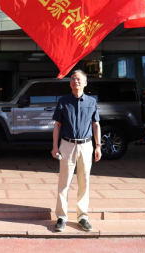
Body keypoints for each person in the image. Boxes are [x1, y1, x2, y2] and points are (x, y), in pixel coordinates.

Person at [51, 70, 102, 233]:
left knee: (84, 182)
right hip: (67, 144)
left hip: (86, 146)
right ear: (70, 83)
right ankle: (61, 217)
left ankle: (82, 217)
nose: (75, 81)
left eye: (79, 79)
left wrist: (98, 145)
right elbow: (57, 125)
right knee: (64, 183)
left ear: (85, 83)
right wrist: (55, 146)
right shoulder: (63, 101)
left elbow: (96, 124)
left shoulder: (92, 102)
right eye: (73, 79)